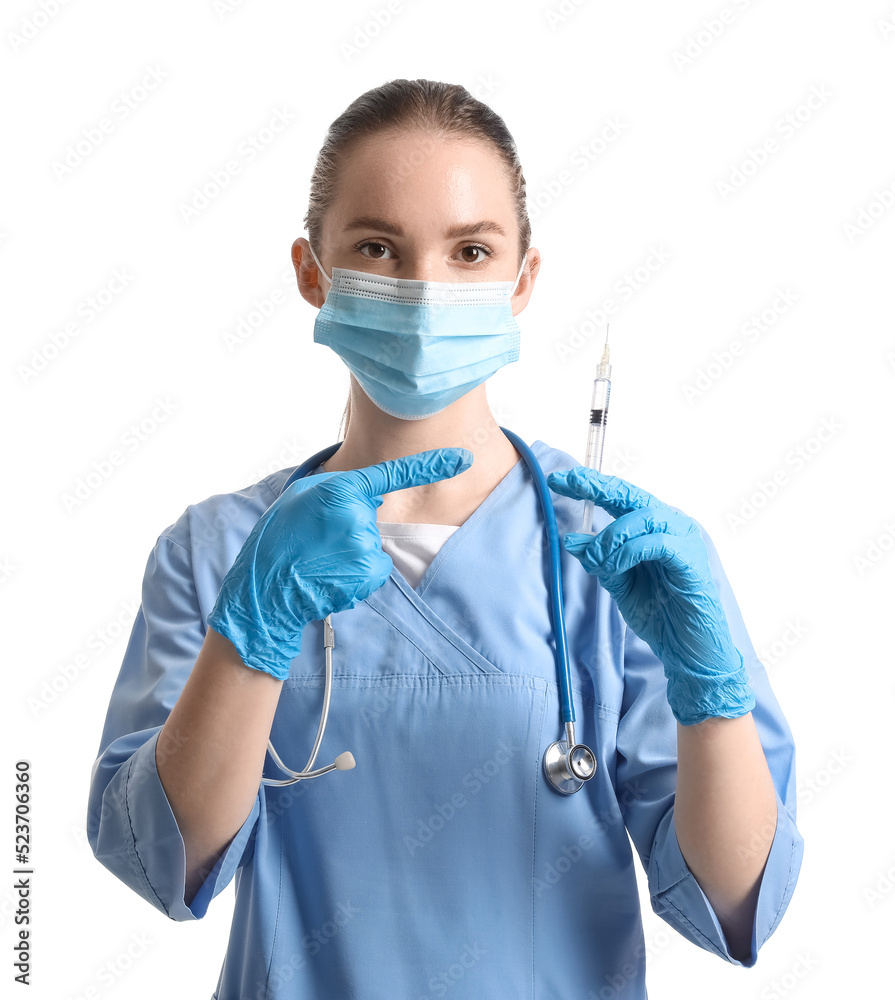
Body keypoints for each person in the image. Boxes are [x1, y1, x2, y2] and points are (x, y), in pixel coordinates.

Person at [87, 79, 803, 999]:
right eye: (377, 248)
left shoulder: (622, 559)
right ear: (313, 271)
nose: (424, 290)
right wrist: (251, 636)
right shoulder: (223, 550)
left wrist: (711, 694)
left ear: (522, 280)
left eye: (470, 251)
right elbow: (162, 864)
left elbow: (733, 896)